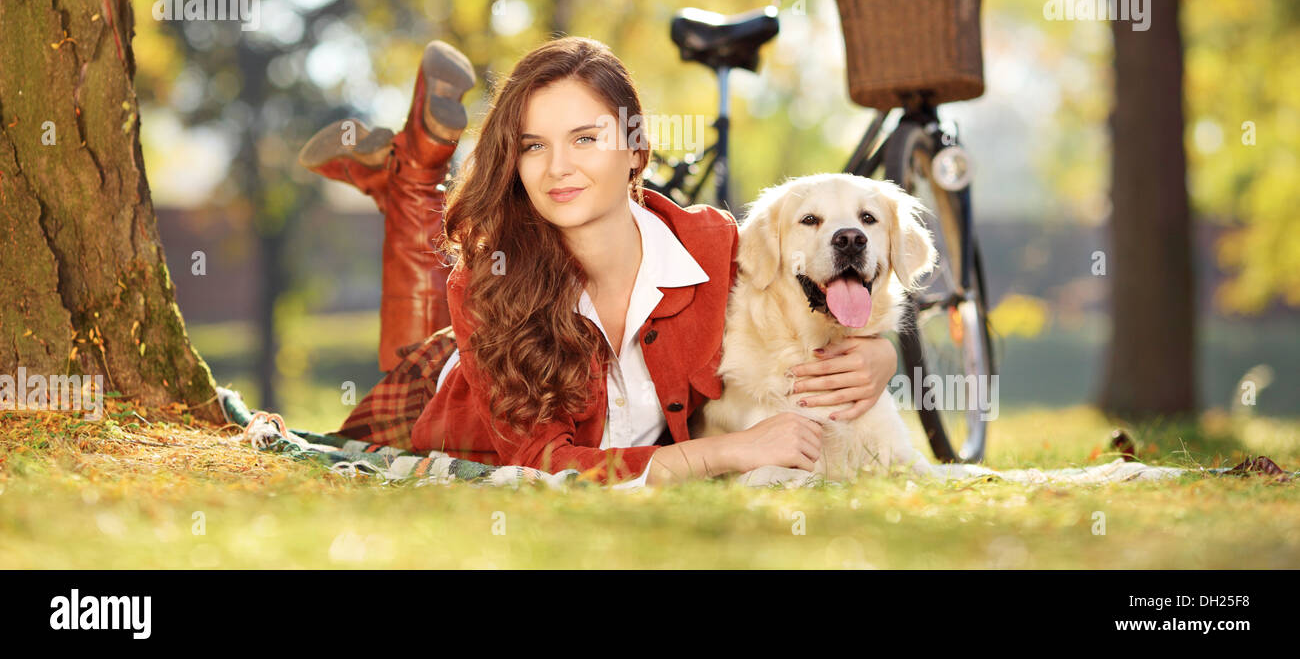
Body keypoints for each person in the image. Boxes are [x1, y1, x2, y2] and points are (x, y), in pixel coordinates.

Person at [302, 36, 896, 487]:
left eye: (585, 138)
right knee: (416, 347)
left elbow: (805, 294)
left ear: (636, 150)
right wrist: (723, 453)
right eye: (534, 145)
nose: (558, 167)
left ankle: (410, 178)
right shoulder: (486, 286)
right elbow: (543, 468)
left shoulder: (716, 247)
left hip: (471, 333)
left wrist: (878, 352)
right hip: (447, 396)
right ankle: (415, 183)